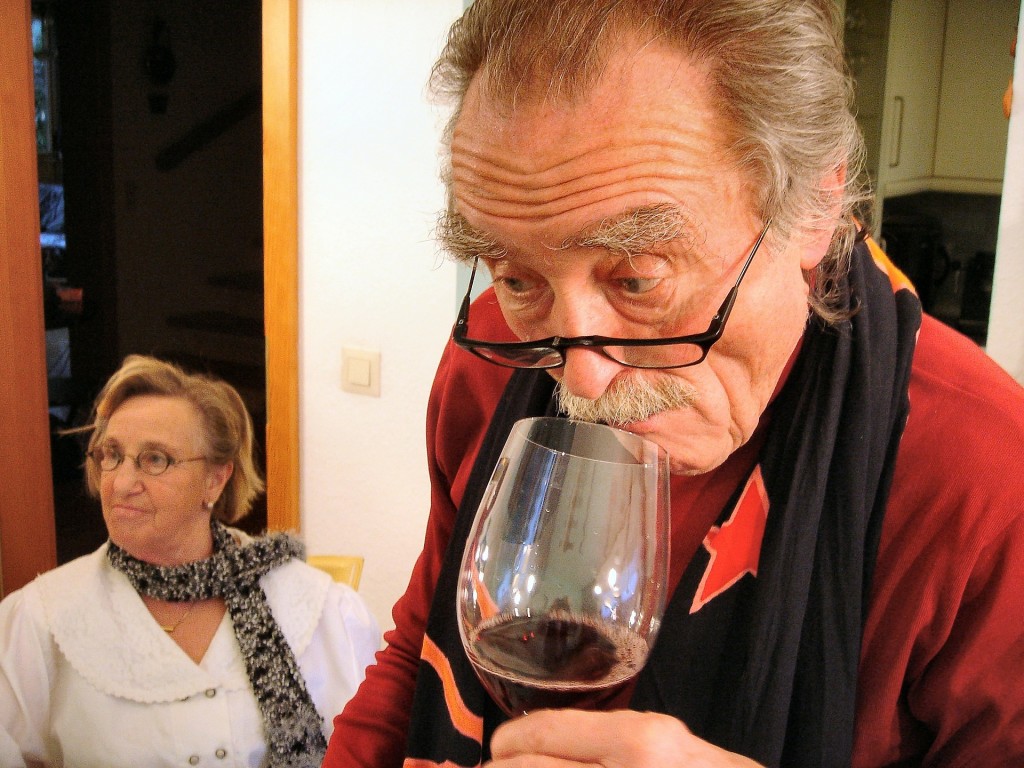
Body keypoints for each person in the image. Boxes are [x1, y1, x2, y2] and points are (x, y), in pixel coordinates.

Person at [324, 1, 1024, 766]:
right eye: (517, 276)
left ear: (815, 207)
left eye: (636, 278)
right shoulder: (493, 360)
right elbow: (420, 647)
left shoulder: (989, 485)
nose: (582, 378)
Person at [0, 355, 380, 768]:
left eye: (155, 459)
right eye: (111, 455)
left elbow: (377, 746)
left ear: (216, 479)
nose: (122, 484)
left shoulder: (317, 608)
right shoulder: (41, 621)